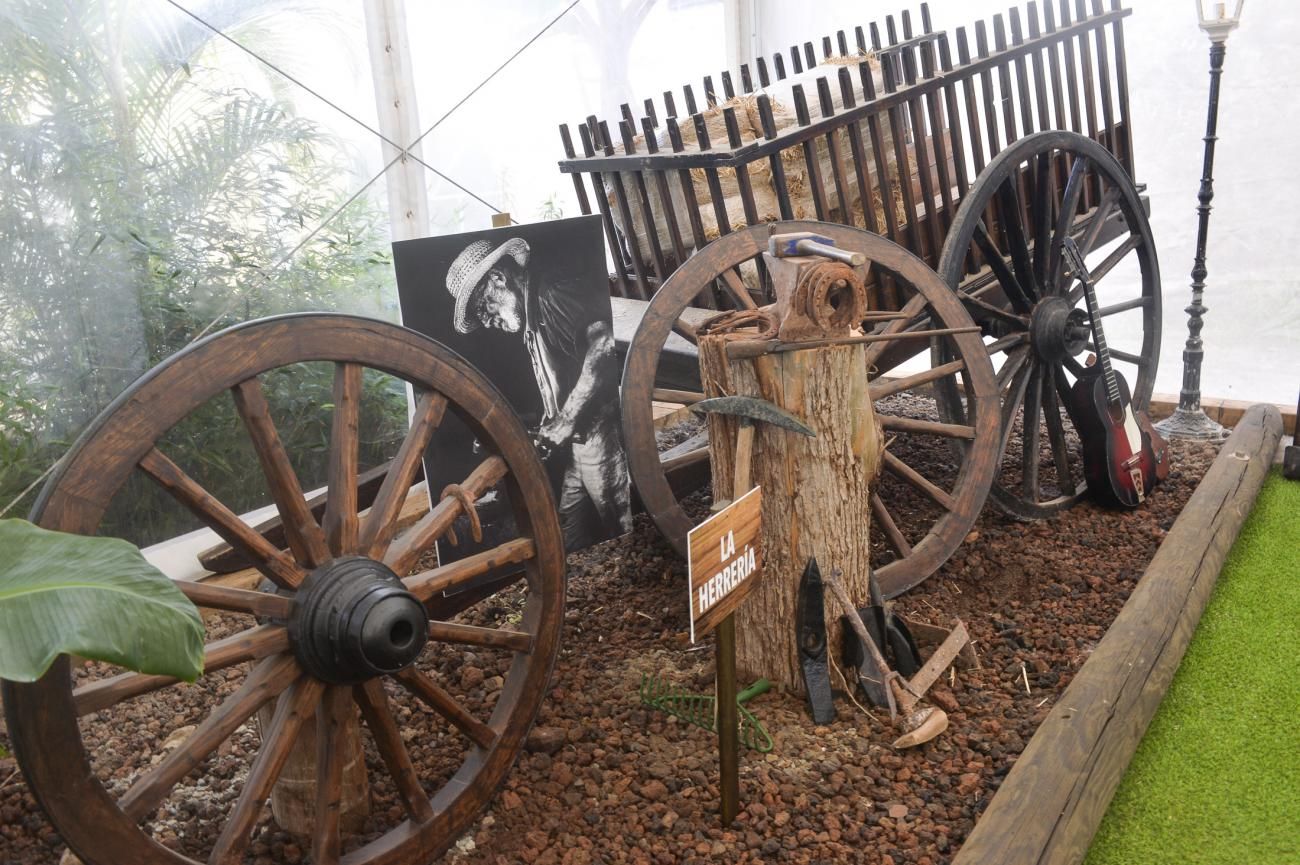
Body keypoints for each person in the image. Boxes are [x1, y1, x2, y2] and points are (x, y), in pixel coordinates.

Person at [445, 236, 633, 550]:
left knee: (620, 520)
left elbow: (604, 345)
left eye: (484, 306)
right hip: (578, 445)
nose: (487, 321)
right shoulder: (533, 315)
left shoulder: (551, 294)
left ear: (497, 279)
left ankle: (635, 569)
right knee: (571, 529)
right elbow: (560, 393)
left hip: (601, 437)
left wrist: (564, 423)